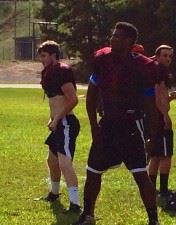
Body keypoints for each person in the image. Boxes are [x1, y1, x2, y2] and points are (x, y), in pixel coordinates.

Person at [73, 22, 169, 225]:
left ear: (128, 41)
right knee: (93, 171)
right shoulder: (103, 60)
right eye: (113, 34)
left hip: (131, 125)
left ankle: (154, 219)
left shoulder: (143, 66)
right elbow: (91, 95)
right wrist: (94, 125)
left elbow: (150, 104)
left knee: (140, 175)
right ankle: (88, 215)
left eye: (117, 36)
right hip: (107, 124)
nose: (112, 38)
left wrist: (152, 135)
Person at [37, 40, 80, 212]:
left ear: (54, 55)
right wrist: (52, 119)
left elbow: (73, 100)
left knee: (64, 163)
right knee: (52, 161)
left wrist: (57, 119)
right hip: (58, 122)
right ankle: (54, 194)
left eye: (44, 56)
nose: (41, 59)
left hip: (66, 122)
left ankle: (75, 204)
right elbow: (54, 102)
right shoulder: (48, 72)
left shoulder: (62, 71)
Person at [146, 45, 176, 199]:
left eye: (170, 56)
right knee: (166, 156)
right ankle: (163, 190)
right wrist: (165, 115)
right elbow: (158, 95)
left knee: (155, 156)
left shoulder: (153, 69)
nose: (168, 59)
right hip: (158, 117)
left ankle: (151, 189)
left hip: (152, 117)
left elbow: (159, 97)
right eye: (164, 55)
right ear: (157, 56)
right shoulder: (160, 71)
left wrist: (170, 98)